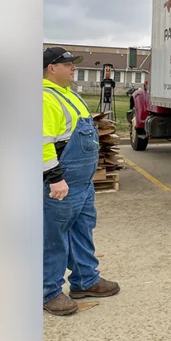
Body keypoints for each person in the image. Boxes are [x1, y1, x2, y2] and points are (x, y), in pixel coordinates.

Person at [42, 47, 120, 316]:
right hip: (61, 184)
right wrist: (54, 179)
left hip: (81, 183)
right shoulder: (44, 98)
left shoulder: (68, 95)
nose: (73, 68)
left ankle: (85, 281)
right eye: (67, 64)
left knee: (81, 231)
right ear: (51, 68)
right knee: (53, 238)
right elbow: (41, 143)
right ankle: (48, 291)